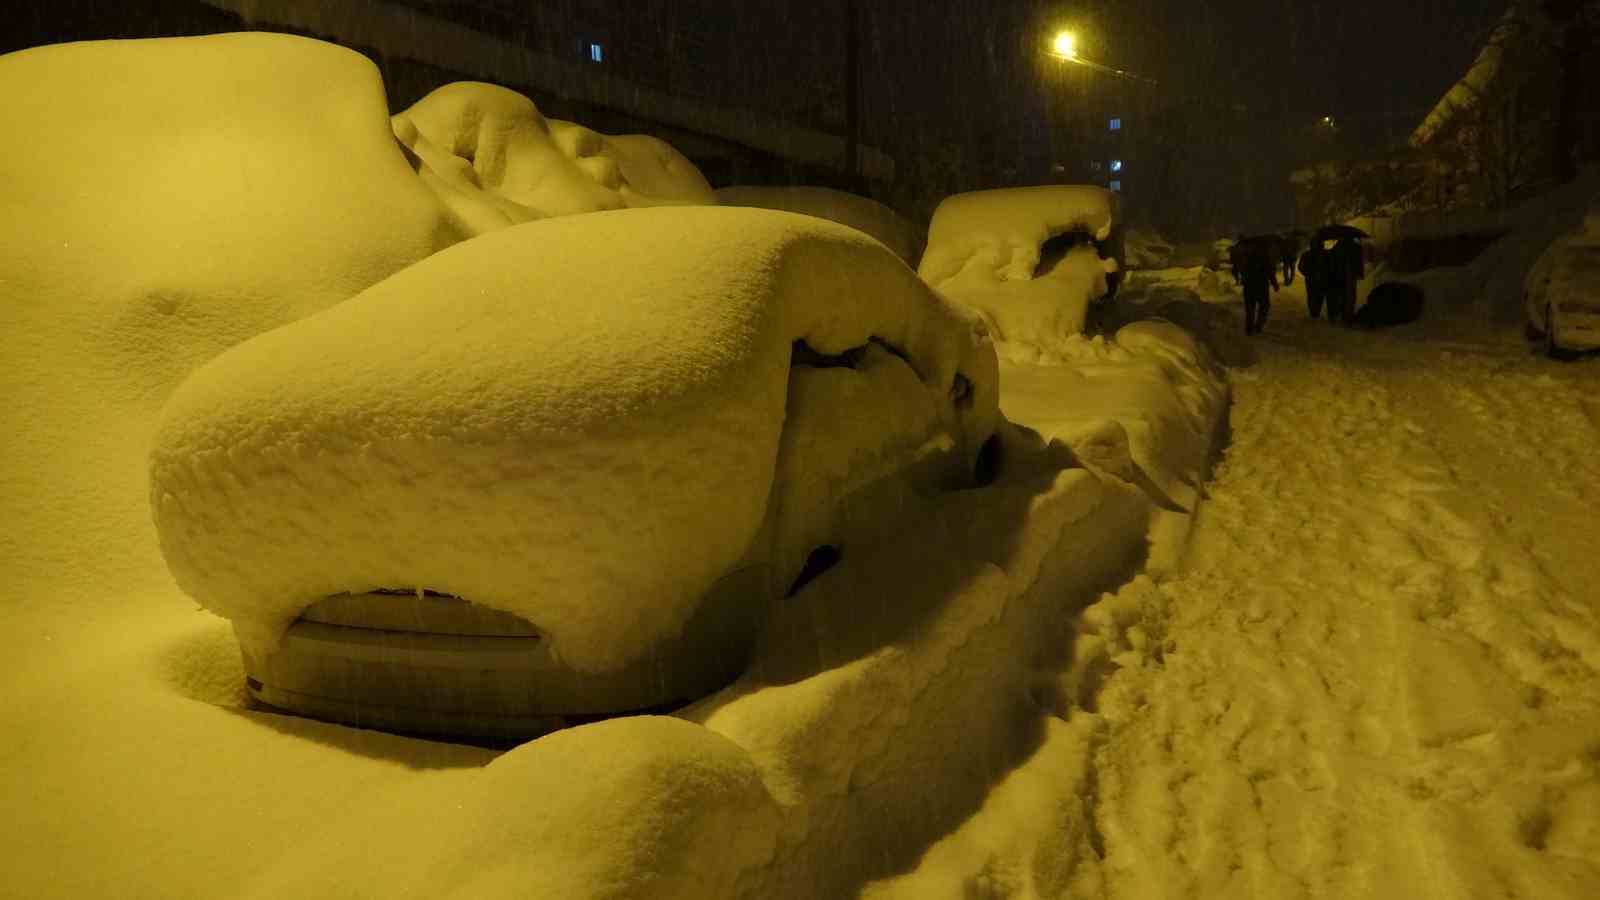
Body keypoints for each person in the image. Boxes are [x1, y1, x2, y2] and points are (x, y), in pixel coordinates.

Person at [1232, 236, 1279, 335]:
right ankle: (1258, 325)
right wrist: (1274, 283)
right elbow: (1269, 271)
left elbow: (1241, 269)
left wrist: (1242, 278)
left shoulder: (1247, 256)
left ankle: (1249, 328)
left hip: (1249, 286)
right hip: (1261, 286)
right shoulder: (1264, 256)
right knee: (1264, 306)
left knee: (1250, 308)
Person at [1326, 235, 1365, 325]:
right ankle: (1347, 316)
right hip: (1350, 275)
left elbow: (1333, 259)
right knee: (1350, 296)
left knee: (1342, 295)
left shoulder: (1338, 246)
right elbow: (1359, 261)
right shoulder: (1356, 246)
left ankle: (1343, 314)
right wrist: (1360, 273)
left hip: (1340, 275)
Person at [1299, 240, 1328, 319]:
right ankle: (1315, 311)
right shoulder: (1326, 254)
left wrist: (1307, 274)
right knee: (1318, 295)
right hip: (1319, 278)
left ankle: (1313, 311)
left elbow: (1301, 267)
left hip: (1312, 278)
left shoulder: (1306, 254)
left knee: (1312, 295)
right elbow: (1301, 267)